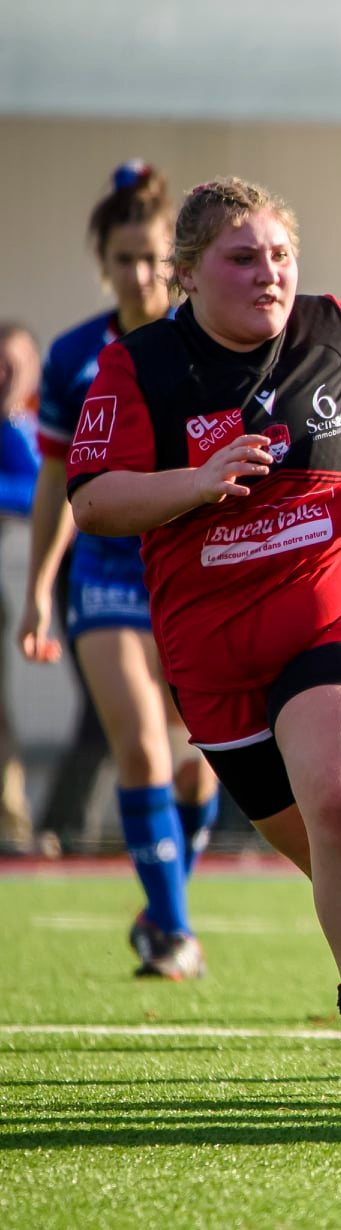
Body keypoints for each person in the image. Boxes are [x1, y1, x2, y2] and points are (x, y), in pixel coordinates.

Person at [65, 176, 341, 1096]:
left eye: (281, 255)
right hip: (216, 657)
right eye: (242, 258)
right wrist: (197, 479)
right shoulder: (139, 367)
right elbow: (95, 499)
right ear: (186, 276)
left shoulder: (337, 329)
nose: (270, 275)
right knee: (340, 847)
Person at [18, 163, 222, 977]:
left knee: (201, 762)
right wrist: (39, 587)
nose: (140, 273)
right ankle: (174, 934)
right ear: (101, 261)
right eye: (124, 257)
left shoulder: (208, 342)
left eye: (152, 257)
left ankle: (161, 903)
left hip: (195, 574)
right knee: (139, 747)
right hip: (104, 578)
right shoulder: (74, 356)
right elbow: (54, 482)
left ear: (174, 263)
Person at [0, 323, 40, 852]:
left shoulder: (26, 425)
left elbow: (41, 490)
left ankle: (14, 827)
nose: (4, 376)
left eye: (13, 365)